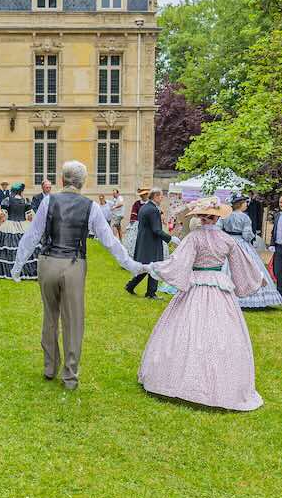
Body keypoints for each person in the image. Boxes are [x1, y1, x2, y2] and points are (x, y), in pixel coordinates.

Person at [11, 160, 148, 390]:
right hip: (74, 264)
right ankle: (70, 375)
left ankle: (49, 367)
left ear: (62, 180)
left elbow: (32, 235)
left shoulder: (48, 201)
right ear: (83, 183)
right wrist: (130, 264)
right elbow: (109, 239)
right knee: (73, 321)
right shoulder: (91, 206)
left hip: (47, 262)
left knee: (50, 316)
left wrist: (17, 265)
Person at [137, 197, 266, 410]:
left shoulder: (193, 238)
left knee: (186, 329)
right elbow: (242, 267)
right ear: (216, 218)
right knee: (222, 332)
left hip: (196, 286)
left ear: (199, 217)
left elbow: (178, 264)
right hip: (219, 288)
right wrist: (258, 277)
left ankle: (179, 379)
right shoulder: (227, 240)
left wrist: (155, 268)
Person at [219, 195, 282, 308]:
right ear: (240, 204)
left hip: (228, 241)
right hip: (241, 243)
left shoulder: (225, 215)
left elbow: (219, 228)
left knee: (226, 266)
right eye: (245, 203)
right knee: (246, 266)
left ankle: (222, 294)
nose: (246, 205)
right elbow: (247, 235)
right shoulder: (245, 217)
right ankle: (245, 294)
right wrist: (252, 237)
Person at [0, 182, 37, 279]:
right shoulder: (26, 200)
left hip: (9, 225)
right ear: (21, 191)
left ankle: (6, 269)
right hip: (23, 225)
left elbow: (3, 216)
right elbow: (29, 217)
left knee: (4, 247)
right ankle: (23, 270)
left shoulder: (7, 200)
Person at [125, 189, 176, 299]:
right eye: (161, 196)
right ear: (156, 196)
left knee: (145, 267)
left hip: (144, 241)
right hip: (151, 242)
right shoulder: (153, 210)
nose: (162, 198)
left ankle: (130, 286)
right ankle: (151, 293)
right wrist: (170, 239)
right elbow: (156, 229)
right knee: (155, 266)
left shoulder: (144, 207)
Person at [121, 188, 152, 256]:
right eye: (143, 194)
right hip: (139, 225)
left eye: (146, 194)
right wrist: (135, 223)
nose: (145, 196)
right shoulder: (137, 204)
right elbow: (134, 214)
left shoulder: (151, 203)